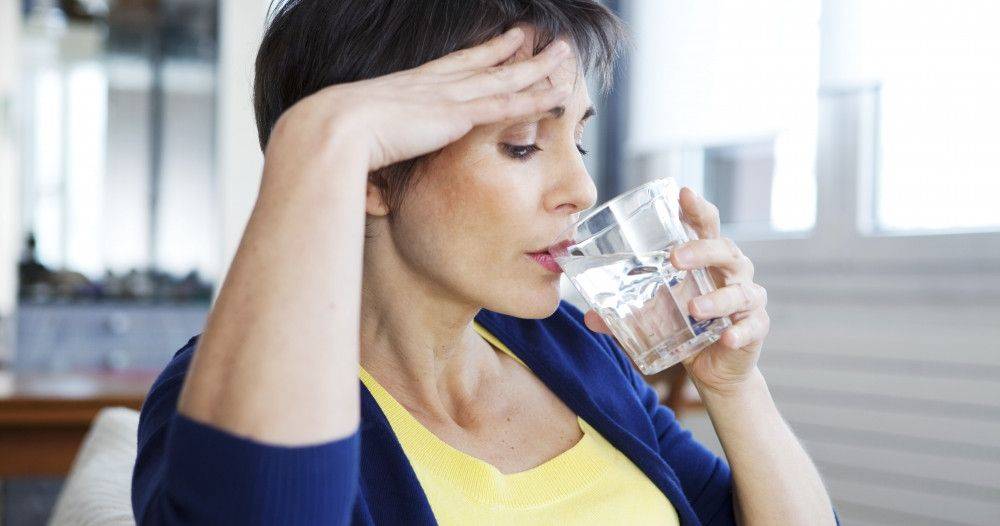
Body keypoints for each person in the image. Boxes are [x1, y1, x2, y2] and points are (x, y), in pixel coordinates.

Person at [131, 1, 837, 524]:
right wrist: (318, 137)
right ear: (373, 176)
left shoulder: (576, 349)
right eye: (523, 144)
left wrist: (735, 388)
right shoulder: (225, 389)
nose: (583, 190)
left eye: (578, 142)